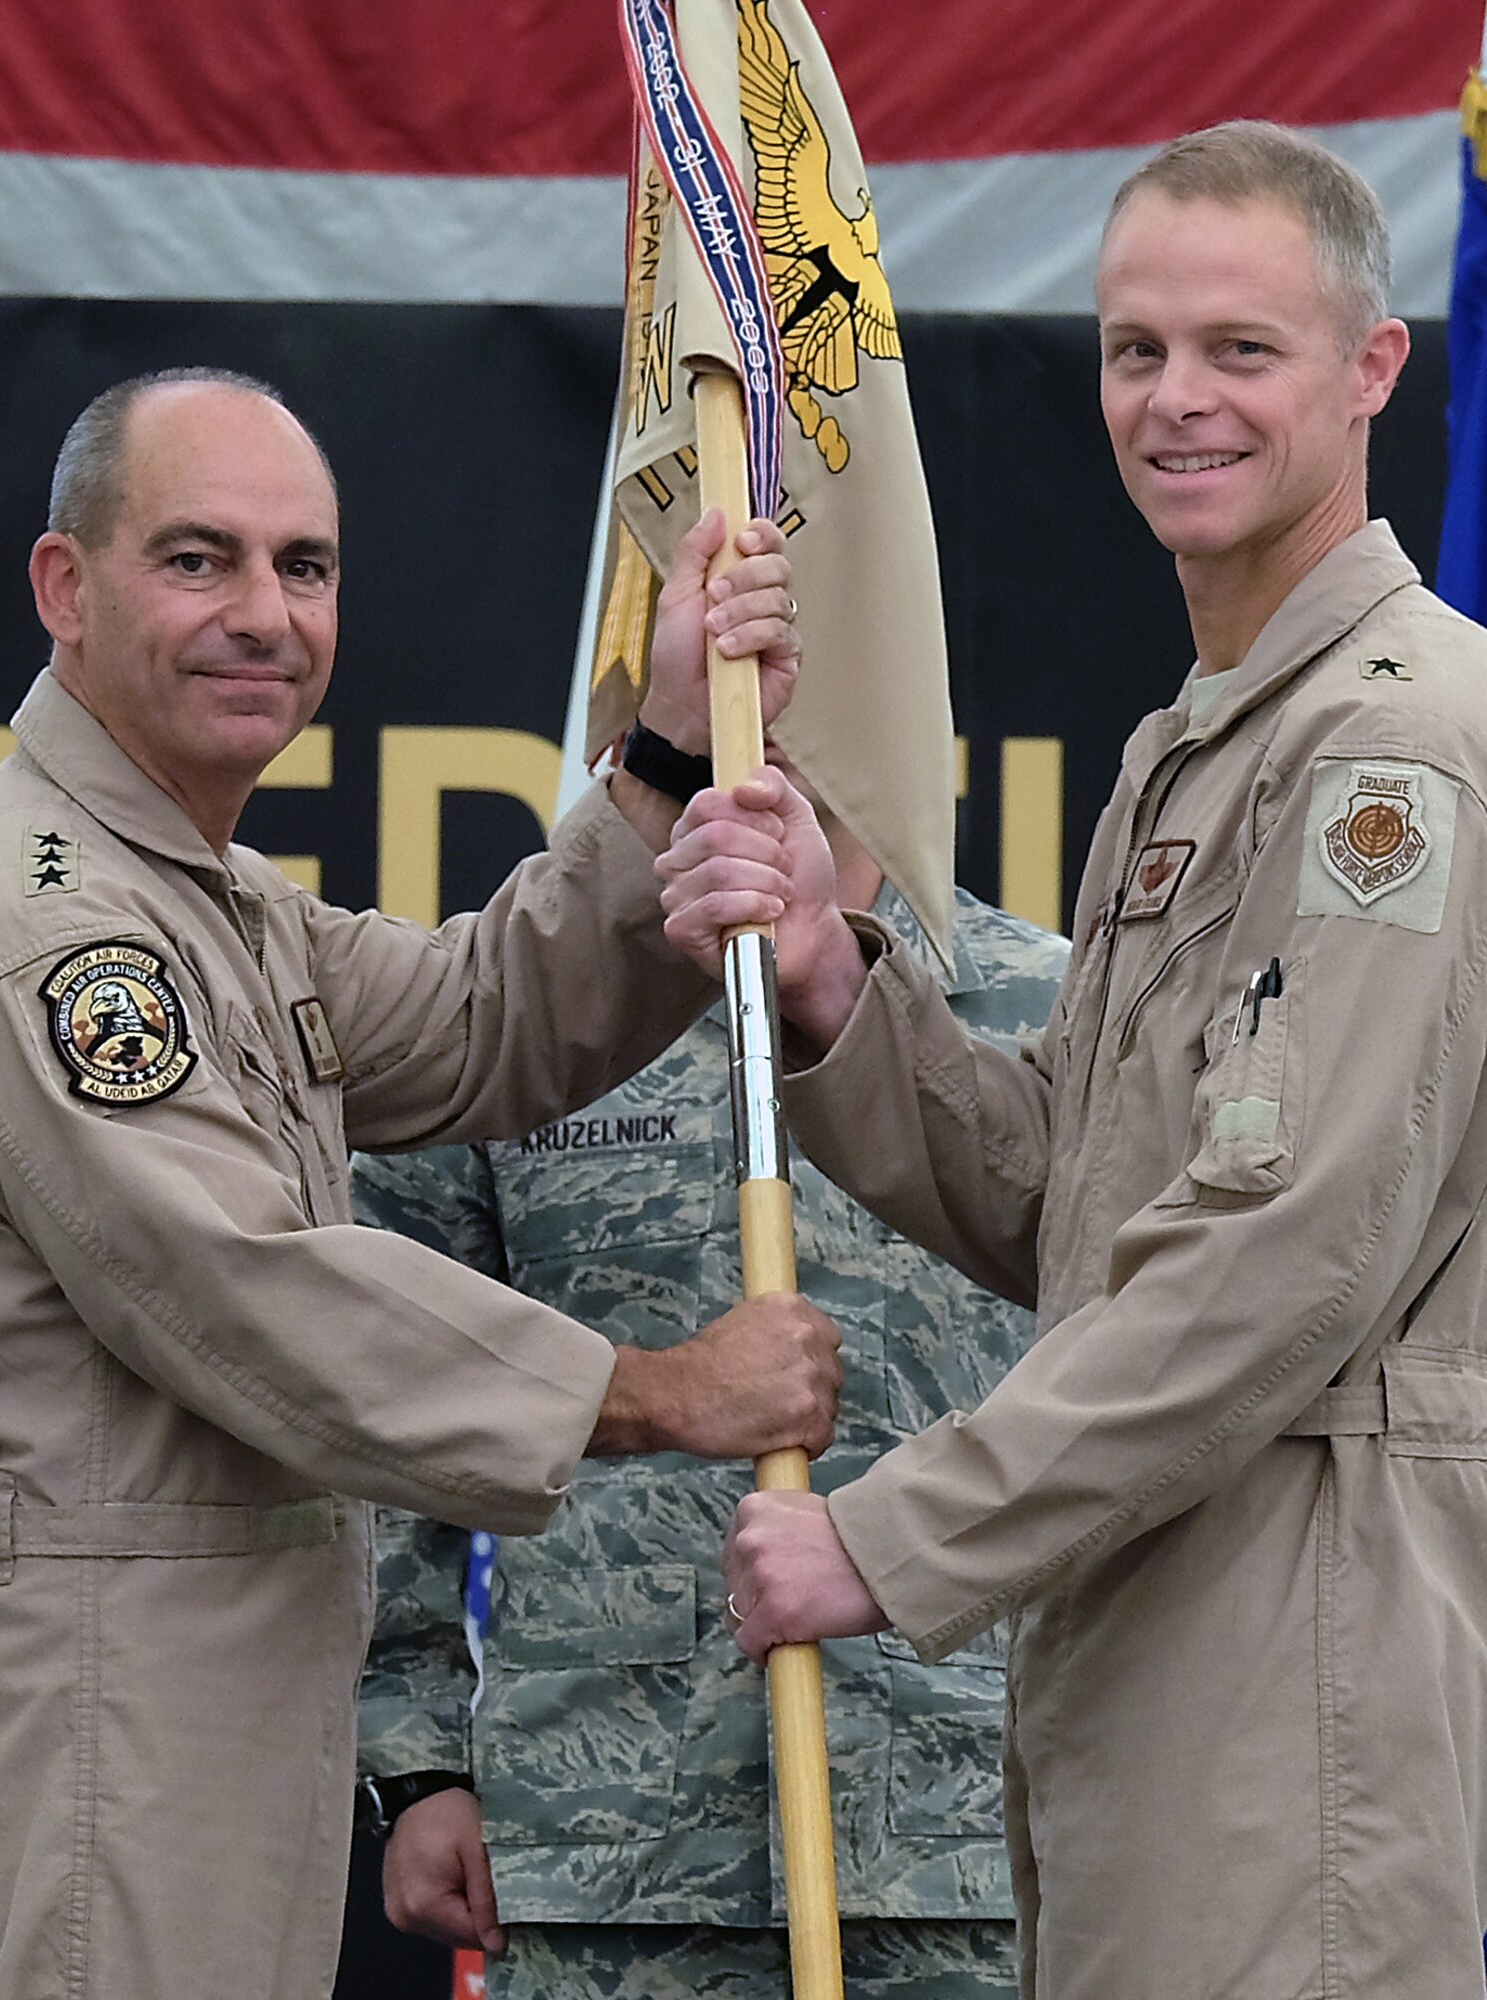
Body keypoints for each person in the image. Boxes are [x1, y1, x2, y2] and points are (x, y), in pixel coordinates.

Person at [0, 367, 841, 2000]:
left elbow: (490, 1023)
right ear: (66, 587)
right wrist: (664, 1390)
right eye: (198, 559)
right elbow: (263, 1300)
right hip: (94, 1730)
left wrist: (673, 746)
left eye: (303, 566)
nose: (263, 613)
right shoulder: (58, 933)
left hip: (193, 1720)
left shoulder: (210, 898)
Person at [662, 123, 1487, 2000]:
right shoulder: (1197, 745)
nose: (1174, 402)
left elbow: (1279, 1263)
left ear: (1374, 370)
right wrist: (827, 981)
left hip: (1297, 1691)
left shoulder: (1396, 753)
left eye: (1237, 350)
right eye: (1136, 351)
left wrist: (893, 1536)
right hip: (1159, 1662)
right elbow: (1080, 1197)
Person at [351, 785, 1069, 2000]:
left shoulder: (1037, 1004)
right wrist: (417, 1761)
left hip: (960, 1844)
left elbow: (1135, 1383)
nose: (770, 690)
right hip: (608, 1840)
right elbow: (389, 1384)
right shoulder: (532, 1021)